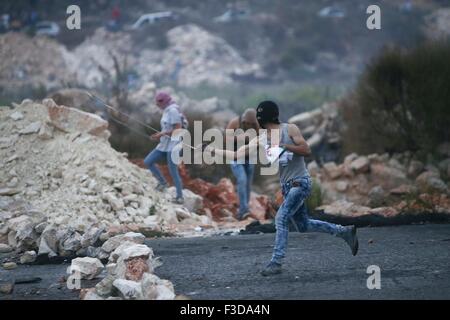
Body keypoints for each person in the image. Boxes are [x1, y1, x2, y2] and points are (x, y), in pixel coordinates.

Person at [210, 101, 359, 276]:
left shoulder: (290, 129)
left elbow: (306, 149)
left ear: (261, 119)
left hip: (300, 183)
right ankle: (345, 232)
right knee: (303, 225)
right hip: (288, 187)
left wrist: (284, 146)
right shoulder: (263, 138)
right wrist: (212, 150)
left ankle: (276, 262)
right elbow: (237, 154)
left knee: (280, 218)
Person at [144, 92, 184, 204]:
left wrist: (161, 134)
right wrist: (159, 135)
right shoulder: (166, 111)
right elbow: (167, 128)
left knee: (173, 170)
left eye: (159, 101)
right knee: (148, 161)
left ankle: (180, 197)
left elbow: (178, 129)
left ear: (165, 101)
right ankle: (163, 182)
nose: (157, 104)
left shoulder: (173, 111)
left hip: (174, 144)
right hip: (164, 144)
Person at [225, 109, 259, 220]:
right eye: (247, 123)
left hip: (250, 157)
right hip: (236, 157)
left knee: (248, 184)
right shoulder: (235, 123)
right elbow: (226, 139)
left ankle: (245, 208)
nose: (249, 125)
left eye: (251, 124)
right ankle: (243, 210)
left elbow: (262, 138)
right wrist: (240, 138)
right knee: (242, 180)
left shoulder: (257, 125)